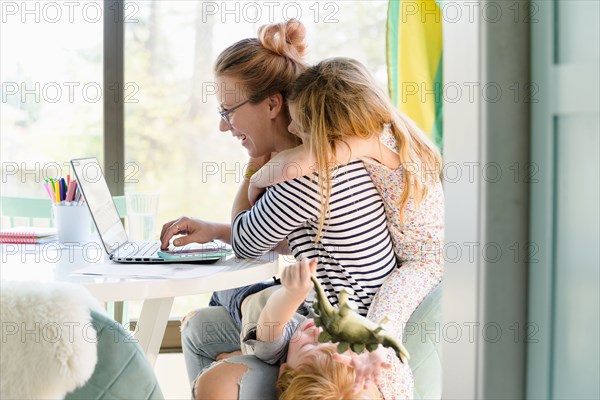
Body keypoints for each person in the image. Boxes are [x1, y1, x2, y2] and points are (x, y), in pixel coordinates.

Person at [159, 21, 399, 400]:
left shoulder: (301, 177)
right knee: (203, 324)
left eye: (227, 110)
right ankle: (243, 354)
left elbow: (246, 243)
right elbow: (287, 239)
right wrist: (215, 229)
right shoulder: (325, 155)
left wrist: (254, 169)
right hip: (335, 314)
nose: (223, 126)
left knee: (230, 293)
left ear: (272, 104)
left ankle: (245, 361)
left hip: (325, 334)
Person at [244, 57, 445, 399]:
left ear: (331, 130)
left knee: (383, 328)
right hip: (417, 254)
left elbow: (295, 166)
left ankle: (395, 391)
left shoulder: (366, 144)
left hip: (422, 265)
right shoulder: (384, 126)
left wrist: (256, 178)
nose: (293, 130)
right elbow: (334, 91)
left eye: (301, 125)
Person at [208, 258, 391, 399]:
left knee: (228, 260)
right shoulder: (318, 349)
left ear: (283, 371)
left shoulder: (273, 348)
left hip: (245, 295)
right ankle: (245, 349)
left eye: (308, 347)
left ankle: (245, 350)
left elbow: (273, 316)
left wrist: (292, 295)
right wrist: (376, 347)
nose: (318, 333)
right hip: (289, 289)